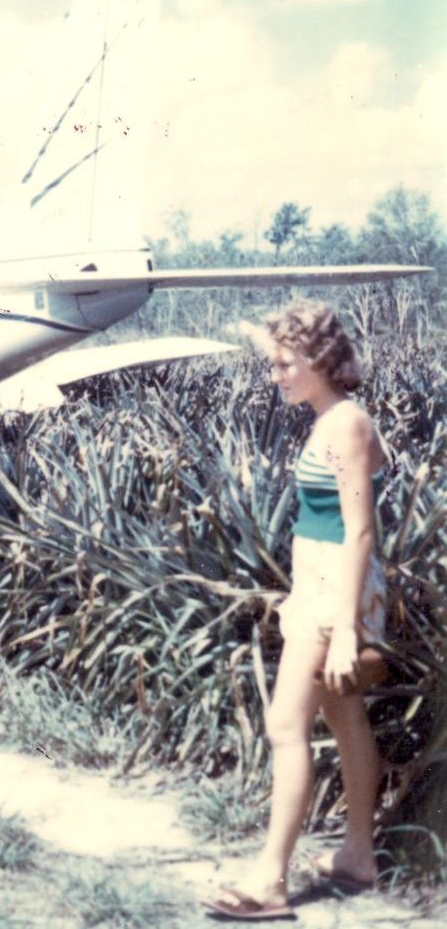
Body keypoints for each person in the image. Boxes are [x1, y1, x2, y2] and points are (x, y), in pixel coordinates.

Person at [206, 300, 387, 920]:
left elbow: (360, 532)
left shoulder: (346, 426)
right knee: (345, 718)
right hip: (321, 590)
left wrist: (342, 632)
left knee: (286, 725)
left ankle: (270, 882)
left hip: (339, 596)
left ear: (319, 361)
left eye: (286, 364)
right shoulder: (332, 419)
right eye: (274, 364)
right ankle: (358, 858)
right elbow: (326, 525)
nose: (276, 375)